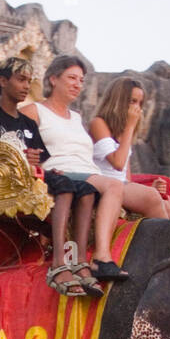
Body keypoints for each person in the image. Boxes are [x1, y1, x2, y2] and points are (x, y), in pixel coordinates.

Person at [0, 57, 100, 298]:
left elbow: (41, 157)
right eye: (20, 80)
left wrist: (33, 158)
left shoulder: (27, 122)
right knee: (64, 186)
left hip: (33, 177)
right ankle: (59, 263)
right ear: (3, 81)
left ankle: (81, 260)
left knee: (85, 188)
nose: (25, 87)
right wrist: (22, 158)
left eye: (28, 82)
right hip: (7, 182)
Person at [21, 55, 128, 288]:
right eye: (71, 78)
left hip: (91, 174)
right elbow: (12, 142)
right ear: (53, 79)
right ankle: (101, 257)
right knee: (114, 186)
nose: (77, 84)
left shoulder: (77, 117)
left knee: (152, 199)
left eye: (81, 80)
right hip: (62, 173)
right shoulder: (34, 110)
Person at [87, 78, 170, 225]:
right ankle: (166, 244)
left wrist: (146, 188)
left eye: (140, 103)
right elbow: (118, 163)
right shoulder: (99, 123)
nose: (137, 109)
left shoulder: (124, 132)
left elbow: (125, 177)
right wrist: (130, 127)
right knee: (152, 196)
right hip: (105, 185)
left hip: (122, 185)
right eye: (132, 102)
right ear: (119, 101)